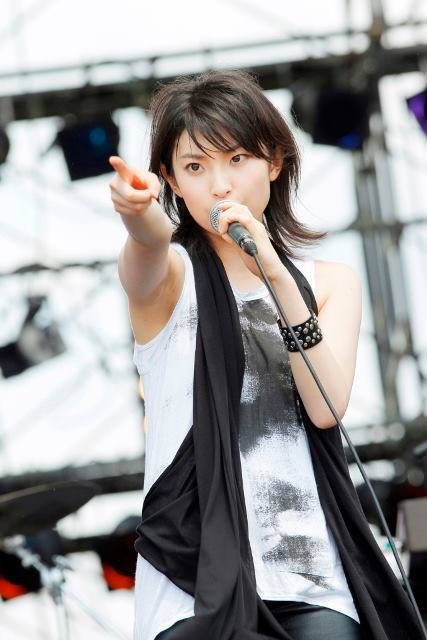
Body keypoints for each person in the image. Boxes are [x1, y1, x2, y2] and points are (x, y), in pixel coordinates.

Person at [109, 71, 424, 640]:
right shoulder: (171, 281)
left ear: (274, 162)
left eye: (237, 159)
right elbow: (148, 243)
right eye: (195, 167)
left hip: (311, 577)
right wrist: (137, 214)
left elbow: (326, 406)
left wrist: (275, 272)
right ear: (171, 181)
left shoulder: (329, 283)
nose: (220, 184)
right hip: (193, 583)